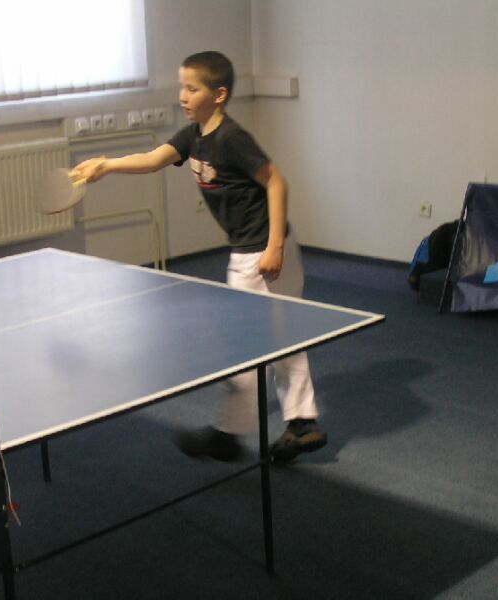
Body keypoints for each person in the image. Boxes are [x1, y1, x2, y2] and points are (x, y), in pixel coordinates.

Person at [72, 51, 326, 463]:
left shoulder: (231, 138)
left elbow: (277, 183)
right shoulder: (194, 136)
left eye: (192, 88)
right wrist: (107, 164)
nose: (183, 96)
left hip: (262, 254)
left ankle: (231, 435)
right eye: (182, 87)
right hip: (254, 250)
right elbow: (153, 159)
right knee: (282, 337)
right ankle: (301, 423)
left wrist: (274, 246)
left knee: (245, 344)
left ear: (219, 95)